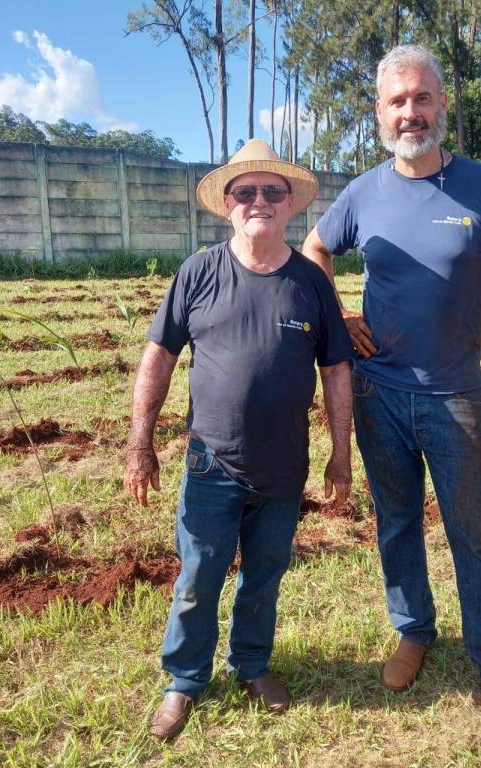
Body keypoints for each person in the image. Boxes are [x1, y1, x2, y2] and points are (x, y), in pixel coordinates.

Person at [303, 44, 481, 692]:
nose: (409, 111)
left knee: (477, 530)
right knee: (397, 522)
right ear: (380, 113)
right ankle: (413, 630)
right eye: (397, 101)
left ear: (441, 102)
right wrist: (337, 315)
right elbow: (315, 248)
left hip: (454, 396)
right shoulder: (363, 193)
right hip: (378, 392)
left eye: (421, 97)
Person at [124, 139, 354, 740]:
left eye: (272, 191)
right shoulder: (198, 273)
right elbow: (158, 358)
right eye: (245, 192)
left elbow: (336, 370)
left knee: (265, 575)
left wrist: (341, 454)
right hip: (211, 461)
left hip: (284, 466)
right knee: (198, 577)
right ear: (228, 204)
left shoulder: (311, 282)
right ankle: (184, 681)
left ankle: (251, 665)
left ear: (290, 204)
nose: (259, 201)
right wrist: (140, 444)